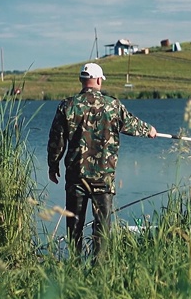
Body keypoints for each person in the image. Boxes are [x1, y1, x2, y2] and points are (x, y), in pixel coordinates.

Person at [47, 62, 157, 257]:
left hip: (76, 178)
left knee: (75, 228)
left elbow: (57, 140)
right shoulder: (113, 105)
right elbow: (132, 124)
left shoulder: (67, 105)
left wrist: (53, 165)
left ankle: (73, 268)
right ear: (98, 80)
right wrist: (149, 130)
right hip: (103, 179)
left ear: (82, 80)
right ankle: (100, 271)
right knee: (102, 229)